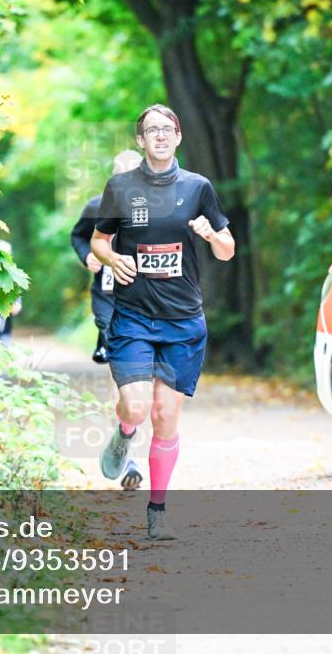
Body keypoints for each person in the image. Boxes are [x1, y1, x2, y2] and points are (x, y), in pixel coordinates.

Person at [90, 104, 235, 540]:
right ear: (140, 140)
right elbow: (99, 241)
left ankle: (157, 511)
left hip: (182, 321)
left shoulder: (198, 187)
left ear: (178, 136)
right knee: (136, 408)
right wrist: (112, 258)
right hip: (133, 317)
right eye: (151, 130)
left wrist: (211, 235)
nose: (159, 135)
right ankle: (124, 432)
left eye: (167, 128)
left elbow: (227, 249)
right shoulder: (120, 187)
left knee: (165, 416)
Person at [70, 149, 143, 364]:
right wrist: (87, 256)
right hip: (107, 291)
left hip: (143, 292)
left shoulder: (154, 207)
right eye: (121, 174)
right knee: (117, 339)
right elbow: (78, 236)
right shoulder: (96, 206)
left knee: (136, 344)